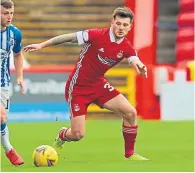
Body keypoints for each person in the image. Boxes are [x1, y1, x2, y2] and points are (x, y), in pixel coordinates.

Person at [24, 7, 148, 160]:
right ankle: (63, 134)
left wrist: (140, 67)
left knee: (130, 113)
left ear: (130, 27)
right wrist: (42, 45)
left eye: (125, 25)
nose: (121, 28)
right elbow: (68, 37)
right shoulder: (95, 35)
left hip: (98, 85)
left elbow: (134, 60)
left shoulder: (126, 47)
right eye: (118, 23)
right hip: (78, 88)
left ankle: (130, 154)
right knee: (77, 134)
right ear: (112, 23)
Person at [1, 0, 24, 165]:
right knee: (1, 115)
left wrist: (20, 76)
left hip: (3, 83)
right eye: (5, 13)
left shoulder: (14, 33)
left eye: (11, 13)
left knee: (2, 119)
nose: (9, 17)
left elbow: (17, 54)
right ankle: (9, 150)